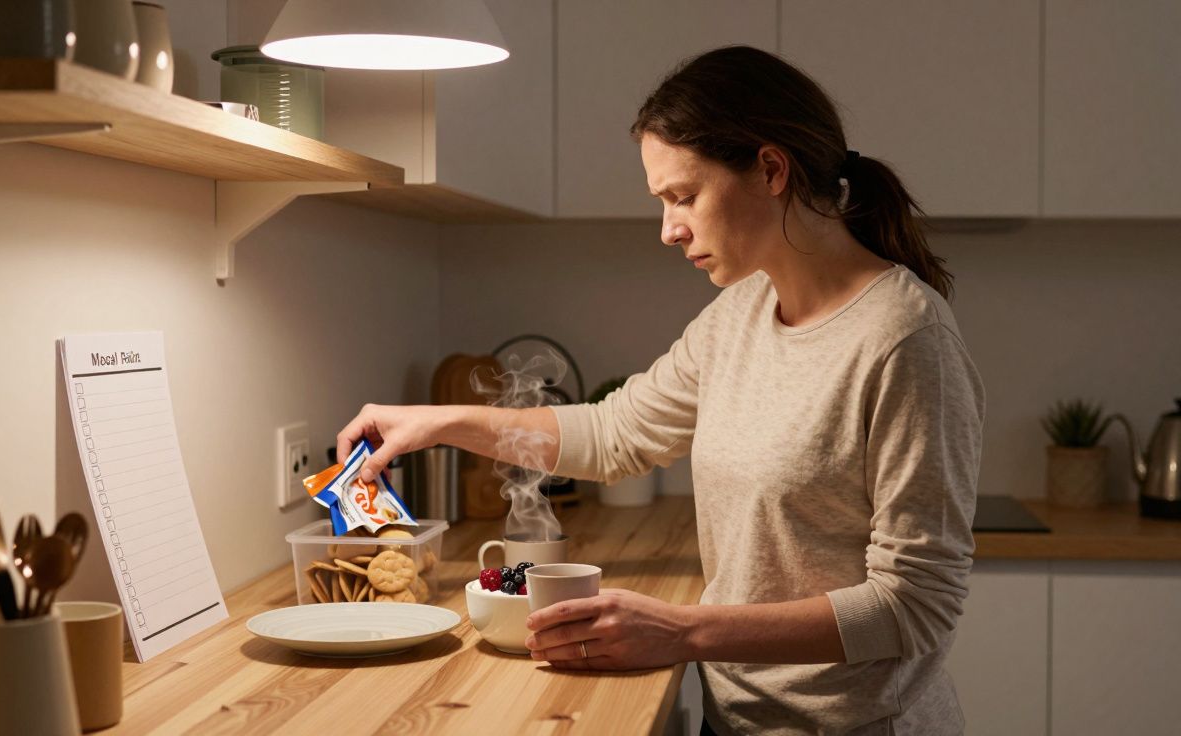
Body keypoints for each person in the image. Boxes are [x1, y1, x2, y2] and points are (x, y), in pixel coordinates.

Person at [337, 45, 985, 736]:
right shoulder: (739, 313)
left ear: (770, 169)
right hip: (735, 717)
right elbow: (617, 434)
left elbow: (914, 605)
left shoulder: (905, 341)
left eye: (684, 196)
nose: (670, 229)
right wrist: (435, 423)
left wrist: (682, 631)